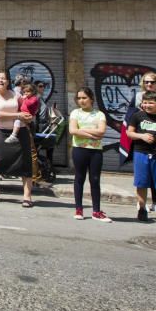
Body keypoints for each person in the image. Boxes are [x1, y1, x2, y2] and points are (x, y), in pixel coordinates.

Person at [0, 71, 35, 206]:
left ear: (8, 81)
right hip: (1, 132)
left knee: (26, 163)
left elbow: (27, 107)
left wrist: (29, 116)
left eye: (4, 78)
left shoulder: (16, 94)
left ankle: (27, 196)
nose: (1, 80)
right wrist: (19, 115)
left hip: (20, 132)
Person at [126, 91, 156, 223]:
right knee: (141, 183)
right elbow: (129, 133)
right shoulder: (137, 116)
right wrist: (142, 136)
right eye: (145, 102)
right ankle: (142, 209)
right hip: (141, 153)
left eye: (151, 103)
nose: (147, 105)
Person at [69, 87, 112, 222]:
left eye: (84, 98)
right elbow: (73, 130)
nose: (81, 101)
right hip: (79, 149)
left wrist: (83, 131)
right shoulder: (75, 113)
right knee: (79, 178)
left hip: (95, 151)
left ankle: (96, 211)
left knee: (94, 180)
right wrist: (90, 133)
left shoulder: (99, 114)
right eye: (79, 98)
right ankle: (79, 209)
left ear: (91, 99)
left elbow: (101, 132)